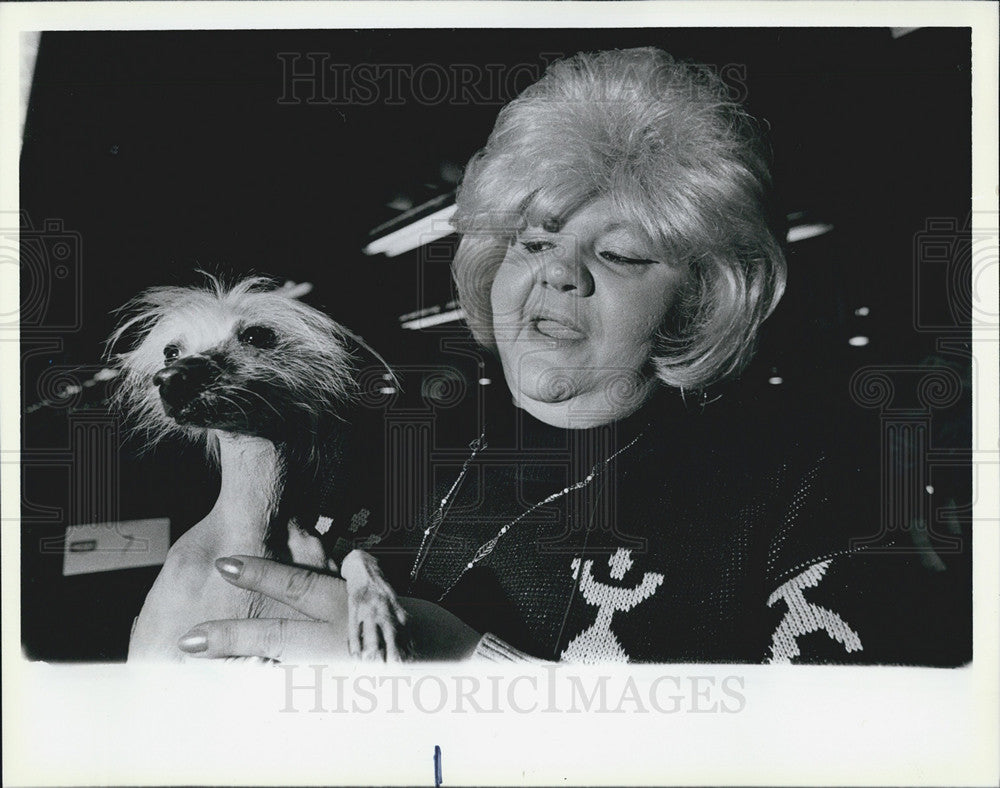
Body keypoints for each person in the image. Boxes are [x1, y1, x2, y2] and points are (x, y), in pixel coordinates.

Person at [172, 48, 959, 665]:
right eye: (536, 241)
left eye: (619, 254)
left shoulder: (808, 496)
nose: (558, 270)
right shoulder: (374, 447)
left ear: (695, 301)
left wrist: (468, 672)